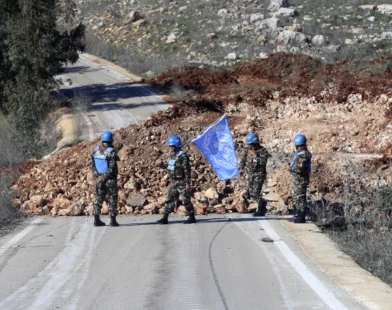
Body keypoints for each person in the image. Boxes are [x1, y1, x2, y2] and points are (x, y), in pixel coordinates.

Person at [157, 135, 196, 224]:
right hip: (174, 181)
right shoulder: (172, 155)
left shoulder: (183, 155)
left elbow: (187, 170)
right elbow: (170, 167)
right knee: (170, 198)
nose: (170, 148)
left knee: (186, 199)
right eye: (170, 146)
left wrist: (188, 183)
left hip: (182, 181)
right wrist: (162, 165)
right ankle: (165, 217)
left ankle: (192, 216)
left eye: (172, 146)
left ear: (176, 145)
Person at [90, 131, 120, 227]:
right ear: (111, 140)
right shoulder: (111, 152)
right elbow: (111, 168)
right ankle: (112, 220)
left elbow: (92, 166)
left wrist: (98, 176)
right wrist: (104, 177)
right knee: (113, 199)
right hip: (110, 180)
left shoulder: (96, 150)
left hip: (99, 180)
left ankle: (96, 220)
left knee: (99, 199)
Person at [240, 133, 270, 217]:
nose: (250, 146)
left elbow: (263, 162)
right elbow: (243, 159)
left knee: (256, 192)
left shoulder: (263, 151)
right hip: (250, 174)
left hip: (259, 174)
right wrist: (242, 167)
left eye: (251, 144)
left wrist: (255, 155)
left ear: (256, 143)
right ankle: (263, 203)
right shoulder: (247, 150)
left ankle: (261, 209)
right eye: (249, 145)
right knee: (252, 193)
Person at [287, 134, 312, 223]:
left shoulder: (303, 155)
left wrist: (290, 168)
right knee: (296, 197)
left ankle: (301, 216)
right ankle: (297, 214)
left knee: (300, 198)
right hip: (299, 179)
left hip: (301, 179)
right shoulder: (302, 154)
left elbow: (300, 168)